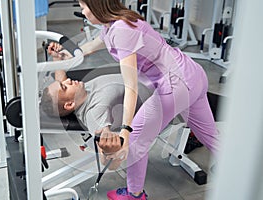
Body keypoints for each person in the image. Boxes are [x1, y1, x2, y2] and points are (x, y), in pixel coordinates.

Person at [61, 1, 220, 200]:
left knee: (135, 140)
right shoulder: (112, 24)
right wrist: (66, 55)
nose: (83, 12)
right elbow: (92, 46)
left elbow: (131, 87)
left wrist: (126, 131)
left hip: (176, 85)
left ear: (97, 6)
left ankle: (134, 195)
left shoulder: (121, 30)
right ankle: (241, 170)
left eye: (84, 6)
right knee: (211, 136)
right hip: (192, 74)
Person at [40, 44, 153, 170]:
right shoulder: (94, 112)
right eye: (65, 87)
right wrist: (109, 151)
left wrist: (56, 58)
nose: (68, 81)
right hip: (159, 97)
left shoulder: (80, 92)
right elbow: (107, 162)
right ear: (69, 104)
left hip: (145, 76)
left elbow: (60, 82)